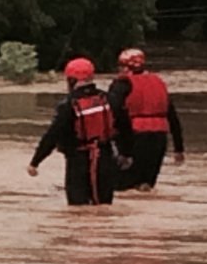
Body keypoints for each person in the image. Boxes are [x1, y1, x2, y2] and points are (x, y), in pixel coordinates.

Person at [26, 57, 132, 205]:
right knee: (104, 207)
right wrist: (126, 154)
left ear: (71, 80)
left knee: (78, 210)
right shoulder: (110, 99)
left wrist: (35, 162)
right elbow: (126, 128)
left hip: (78, 163)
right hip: (105, 160)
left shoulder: (68, 105)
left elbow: (52, 135)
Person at [107, 47, 185, 192]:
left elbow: (114, 112)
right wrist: (178, 148)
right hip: (159, 138)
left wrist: (122, 149)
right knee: (145, 185)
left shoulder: (121, 84)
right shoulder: (158, 83)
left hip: (134, 136)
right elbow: (173, 116)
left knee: (123, 186)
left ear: (124, 66)